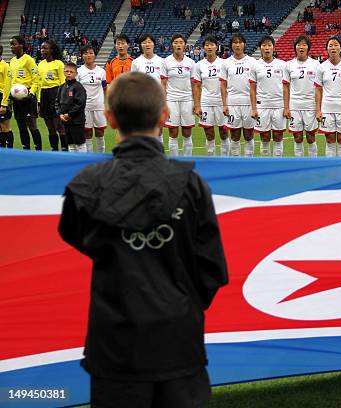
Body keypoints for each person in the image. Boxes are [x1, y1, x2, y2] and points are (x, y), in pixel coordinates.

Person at [58, 72, 228, 407]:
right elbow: (212, 270)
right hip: (177, 340)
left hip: (116, 343)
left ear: (108, 120)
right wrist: (178, 306)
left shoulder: (87, 185)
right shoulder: (192, 186)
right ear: (165, 116)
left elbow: (78, 237)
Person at [314, 36, 341, 157]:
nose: (333, 48)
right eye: (330, 45)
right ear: (326, 49)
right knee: (330, 140)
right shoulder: (321, 67)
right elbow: (318, 89)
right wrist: (318, 110)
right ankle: (330, 170)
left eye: (336, 45)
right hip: (327, 109)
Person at [1, 36, 43, 150]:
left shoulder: (29, 60)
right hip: (16, 98)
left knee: (32, 125)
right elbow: (11, 80)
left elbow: (36, 79)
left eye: (14, 44)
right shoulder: (13, 61)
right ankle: (26, 151)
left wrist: (31, 94)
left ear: (21, 45)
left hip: (28, 97)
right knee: (21, 126)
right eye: (10, 45)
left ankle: (38, 151)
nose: (11, 47)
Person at [249, 35, 288, 157]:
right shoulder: (255, 65)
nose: (267, 48)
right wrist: (254, 108)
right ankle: (264, 165)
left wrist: (287, 107)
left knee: (278, 136)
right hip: (262, 106)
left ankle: (278, 164)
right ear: (260, 48)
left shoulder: (282, 65)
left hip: (278, 105)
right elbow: (252, 88)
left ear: (273, 48)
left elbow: (287, 87)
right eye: (264, 45)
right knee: (264, 137)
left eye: (269, 45)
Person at [219, 33, 257, 157]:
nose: (237, 45)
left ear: (244, 45)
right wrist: (224, 104)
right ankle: (236, 162)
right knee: (234, 136)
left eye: (240, 42)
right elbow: (223, 85)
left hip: (248, 103)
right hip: (232, 103)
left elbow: (256, 85)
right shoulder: (225, 63)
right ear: (231, 45)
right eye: (235, 42)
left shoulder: (252, 62)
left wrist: (255, 106)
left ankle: (249, 162)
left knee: (248, 135)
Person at [192, 36, 229, 156]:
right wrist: (197, 105)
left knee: (224, 133)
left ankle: (225, 160)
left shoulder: (224, 63)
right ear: (203, 48)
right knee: (209, 134)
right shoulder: (198, 65)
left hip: (221, 103)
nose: (209, 47)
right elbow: (196, 86)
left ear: (216, 47)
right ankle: (211, 157)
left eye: (212, 44)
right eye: (207, 45)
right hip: (206, 102)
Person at [161, 34, 196, 157]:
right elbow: (163, 84)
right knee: (173, 132)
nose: (178, 44)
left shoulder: (191, 63)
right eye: (176, 42)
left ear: (185, 45)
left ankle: (187, 160)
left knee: (187, 132)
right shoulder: (166, 62)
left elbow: (194, 84)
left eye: (181, 42)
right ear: (172, 45)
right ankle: (174, 161)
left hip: (187, 100)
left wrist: (196, 103)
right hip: (171, 100)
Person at [284, 35, 320, 157]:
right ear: (295, 47)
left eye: (304, 44)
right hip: (294, 106)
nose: (301, 47)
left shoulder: (316, 64)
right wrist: (286, 107)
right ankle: (298, 164)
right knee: (297, 137)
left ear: (308, 48)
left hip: (310, 105)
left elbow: (319, 87)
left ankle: (312, 163)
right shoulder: (288, 65)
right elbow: (286, 87)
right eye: (299, 44)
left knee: (311, 137)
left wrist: (319, 108)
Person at [131, 33, 165, 145]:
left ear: (154, 44)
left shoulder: (162, 61)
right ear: (141, 45)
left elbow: (165, 82)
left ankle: (159, 153)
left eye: (149, 42)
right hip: (142, 99)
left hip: (157, 99)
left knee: (159, 129)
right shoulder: (136, 62)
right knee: (142, 128)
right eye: (144, 42)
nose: (147, 44)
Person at [38, 40, 66, 151]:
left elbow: (63, 83)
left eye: (45, 48)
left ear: (52, 50)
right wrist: (39, 101)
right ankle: (54, 150)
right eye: (41, 48)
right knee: (50, 127)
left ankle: (65, 149)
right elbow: (40, 84)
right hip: (44, 94)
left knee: (59, 126)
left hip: (56, 94)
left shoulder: (59, 64)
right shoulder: (40, 64)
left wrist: (62, 100)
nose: (42, 50)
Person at [78, 45, 107, 153]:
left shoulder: (101, 71)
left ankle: (100, 156)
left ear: (95, 55)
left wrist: (107, 104)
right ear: (82, 56)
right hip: (84, 107)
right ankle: (89, 157)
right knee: (87, 133)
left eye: (91, 53)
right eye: (85, 53)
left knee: (100, 132)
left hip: (99, 106)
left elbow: (105, 88)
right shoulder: (79, 71)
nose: (88, 55)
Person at [56, 62, 87, 153]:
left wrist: (69, 115)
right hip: (66, 121)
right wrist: (60, 114)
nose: (69, 73)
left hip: (77, 121)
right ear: (63, 72)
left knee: (79, 144)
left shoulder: (79, 87)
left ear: (76, 74)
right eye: (67, 71)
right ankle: (74, 163)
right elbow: (57, 102)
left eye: (71, 72)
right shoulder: (61, 87)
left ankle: (82, 163)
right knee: (70, 144)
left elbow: (80, 104)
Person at [0, 45, 14, 148]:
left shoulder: (5, 66)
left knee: (5, 127)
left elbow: (8, 85)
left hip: (2, 98)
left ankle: (10, 151)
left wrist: (4, 103)